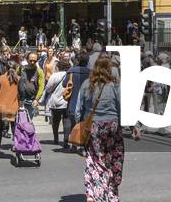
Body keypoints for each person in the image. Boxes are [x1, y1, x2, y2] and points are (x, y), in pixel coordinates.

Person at [77, 55, 131, 202]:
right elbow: (122, 107)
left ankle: (92, 193)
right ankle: (111, 193)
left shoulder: (86, 84)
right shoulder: (115, 85)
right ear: (109, 69)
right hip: (112, 126)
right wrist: (131, 126)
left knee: (94, 159)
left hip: (93, 126)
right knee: (113, 158)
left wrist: (80, 125)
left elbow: (78, 109)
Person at [64, 51, 92, 151]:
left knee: (73, 123)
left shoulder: (71, 71)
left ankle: (74, 144)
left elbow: (64, 84)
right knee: (85, 124)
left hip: (73, 101)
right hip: (87, 102)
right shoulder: (90, 72)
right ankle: (84, 146)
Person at [0, 59, 20, 154]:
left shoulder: (0, 78)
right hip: (13, 107)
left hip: (2, 107)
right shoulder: (18, 79)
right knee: (14, 128)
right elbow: (21, 93)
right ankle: (15, 146)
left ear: (6, 68)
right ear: (16, 68)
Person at [44, 58, 70, 145]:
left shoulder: (54, 76)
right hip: (66, 100)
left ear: (58, 66)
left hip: (55, 101)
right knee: (66, 120)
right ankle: (66, 140)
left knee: (55, 121)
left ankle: (56, 138)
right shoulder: (69, 75)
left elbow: (48, 88)